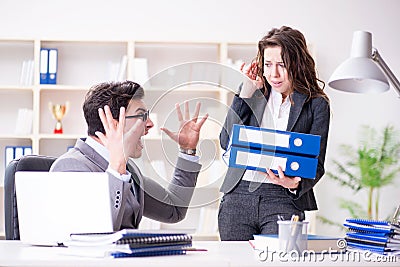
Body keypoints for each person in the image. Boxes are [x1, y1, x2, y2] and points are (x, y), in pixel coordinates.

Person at [218, 26, 330, 241]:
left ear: (297, 64)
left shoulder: (316, 104)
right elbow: (226, 142)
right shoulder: (253, 92)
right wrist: (247, 92)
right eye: (268, 65)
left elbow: (317, 164)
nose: (273, 74)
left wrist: (294, 183)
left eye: (282, 65)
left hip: (283, 200)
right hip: (238, 196)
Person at [50, 80, 208, 230]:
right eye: (141, 116)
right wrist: (117, 167)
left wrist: (187, 150)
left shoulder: (129, 169)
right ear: (113, 123)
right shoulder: (70, 167)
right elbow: (96, 232)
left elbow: (173, 209)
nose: (150, 124)